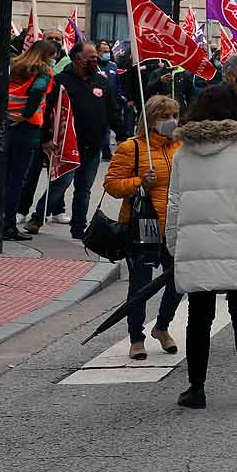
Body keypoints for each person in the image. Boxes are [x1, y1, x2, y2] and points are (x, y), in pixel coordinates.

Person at [166, 83, 237, 409]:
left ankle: (196, 388)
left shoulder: (184, 152)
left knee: (198, 318)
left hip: (196, 243)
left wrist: (173, 242)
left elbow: (174, 203)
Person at [102, 94, 183, 361]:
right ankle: (136, 337)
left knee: (178, 282)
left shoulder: (180, 147)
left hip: (175, 226)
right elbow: (112, 184)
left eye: (174, 116)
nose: (171, 122)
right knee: (140, 286)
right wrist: (139, 182)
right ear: (150, 119)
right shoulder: (132, 148)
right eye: (164, 116)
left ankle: (161, 327)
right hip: (143, 228)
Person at [28, 42, 114, 239]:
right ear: (78, 58)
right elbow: (47, 110)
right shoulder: (60, 81)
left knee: (84, 190)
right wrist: (46, 138)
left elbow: (113, 110)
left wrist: (124, 135)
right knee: (60, 183)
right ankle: (37, 218)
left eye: (96, 57)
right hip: (66, 145)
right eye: (91, 57)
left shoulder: (102, 82)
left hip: (93, 145)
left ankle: (79, 229)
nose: (96, 60)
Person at [0, 43, 56, 240]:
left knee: (3, 176)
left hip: (7, 124)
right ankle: (8, 225)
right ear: (47, 56)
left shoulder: (15, 67)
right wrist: (27, 113)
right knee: (17, 179)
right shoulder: (44, 71)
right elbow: (38, 90)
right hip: (26, 128)